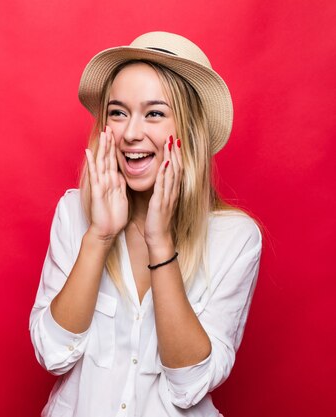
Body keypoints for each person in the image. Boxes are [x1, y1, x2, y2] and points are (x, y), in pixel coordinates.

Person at [29, 32, 262, 417]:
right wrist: (99, 236)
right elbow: (52, 353)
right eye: (118, 112)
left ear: (188, 130)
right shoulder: (74, 214)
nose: (131, 133)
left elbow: (189, 385)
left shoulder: (236, 239)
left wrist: (160, 244)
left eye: (154, 113)